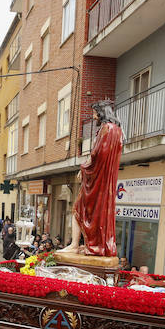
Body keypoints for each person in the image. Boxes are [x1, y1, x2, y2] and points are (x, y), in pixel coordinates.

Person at [61, 100, 123, 257]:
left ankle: (75, 245)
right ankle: (93, 244)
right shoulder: (117, 131)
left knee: (77, 209)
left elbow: (97, 154)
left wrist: (84, 167)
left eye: (95, 113)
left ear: (101, 113)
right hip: (105, 181)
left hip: (97, 180)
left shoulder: (106, 128)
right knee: (95, 214)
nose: (94, 117)